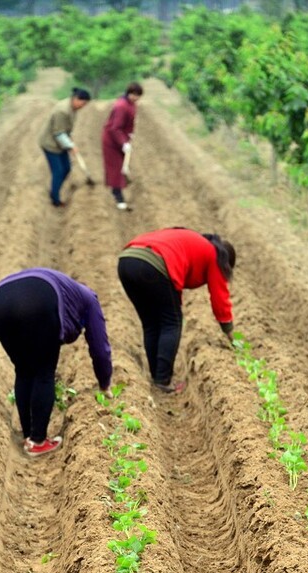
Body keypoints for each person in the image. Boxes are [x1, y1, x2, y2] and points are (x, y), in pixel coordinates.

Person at [0, 268, 112, 457]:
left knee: (24, 369)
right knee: (44, 371)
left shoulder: (70, 288)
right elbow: (100, 348)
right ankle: (37, 441)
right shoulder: (90, 299)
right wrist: (104, 382)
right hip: (40, 300)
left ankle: (29, 434)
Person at [117, 227, 236, 394]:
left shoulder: (195, 241)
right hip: (153, 264)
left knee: (151, 322)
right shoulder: (215, 255)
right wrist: (230, 333)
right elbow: (220, 299)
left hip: (127, 260)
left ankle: (156, 376)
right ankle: (162, 379)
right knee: (171, 322)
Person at [38, 87, 91, 208]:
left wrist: (69, 139)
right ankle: (55, 199)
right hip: (51, 144)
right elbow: (59, 133)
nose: (83, 106)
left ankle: (54, 190)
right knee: (58, 171)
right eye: (83, 103)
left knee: (66, 168)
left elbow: (65, 129)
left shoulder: (72, 108)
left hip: (60, 143)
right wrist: (70, 146)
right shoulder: (62, 111)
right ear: (76, 99)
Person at [102, 82, 143, 211]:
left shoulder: (131, 104)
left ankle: (117, 190)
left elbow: (129, 123)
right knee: (116, 168)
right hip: (111, 141)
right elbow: (115, 128)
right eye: (133, 94)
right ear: (128, 93)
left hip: (121, 139)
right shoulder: (121, 106)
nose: (135, 97)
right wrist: (123, 142)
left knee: (120, 167)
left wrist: (129, 135)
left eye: (138, 95)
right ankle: (118, 197)